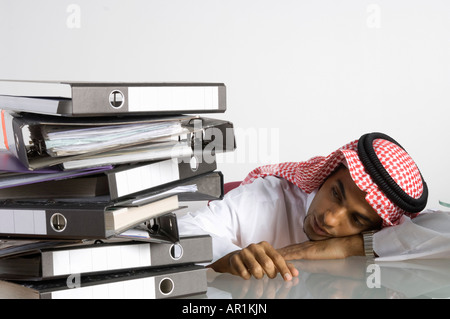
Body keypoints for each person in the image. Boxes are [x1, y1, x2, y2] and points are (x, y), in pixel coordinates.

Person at [177, 132, 429, 281]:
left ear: (379, 226)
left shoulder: (383, 233)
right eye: (336, 194)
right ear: (326, 175)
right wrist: (228, 256)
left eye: (357, 220)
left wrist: (348, 246)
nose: (330, 218)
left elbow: (442, 236)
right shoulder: (267, 198)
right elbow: (183, 230)